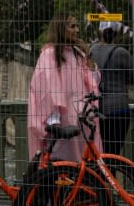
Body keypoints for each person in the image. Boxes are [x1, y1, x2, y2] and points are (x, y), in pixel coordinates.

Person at [28, 13, 101, 160]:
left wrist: (88, 55)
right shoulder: (49, 54)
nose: (77, 30)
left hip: (83, 120)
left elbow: (95, 81)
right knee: (62, 168)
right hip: (63, 121)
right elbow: (45, 90)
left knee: (83, 169)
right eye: (72, 26)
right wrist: (53, 121)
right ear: (61, 28)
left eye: (77, 26)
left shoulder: (78, 53)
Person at [90, 21, 133, 156]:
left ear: (100, 32)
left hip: (97, 107)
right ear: (118, 33)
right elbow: (133, 77)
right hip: (118, 108)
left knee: (99, 152)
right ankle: (111, 175)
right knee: (113, 153)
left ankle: (100, 177)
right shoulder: (122, 53)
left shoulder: (91, 51)